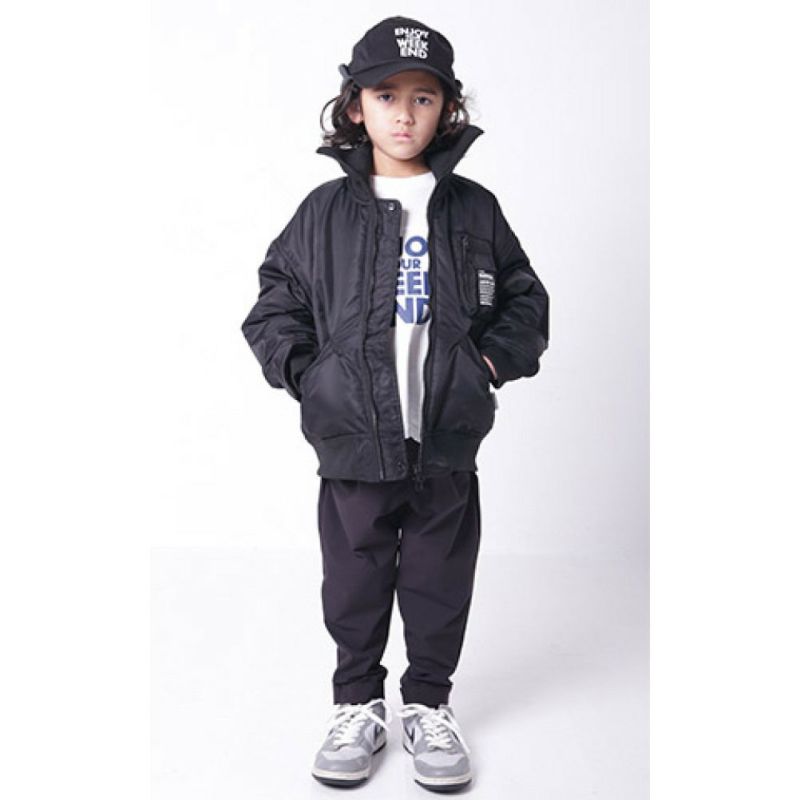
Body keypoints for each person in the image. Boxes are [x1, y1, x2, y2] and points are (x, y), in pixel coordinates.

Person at [241, 15, 549, 792]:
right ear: (355, 106)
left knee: (440, 580)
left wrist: (484, 363)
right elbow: (274, 304)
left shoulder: (472, 209)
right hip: (353, 436)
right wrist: (312, 374)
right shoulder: (324, 213)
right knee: (354, 580)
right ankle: (356, 705)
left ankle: (429, 706)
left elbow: (525, 299)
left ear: (448, 107)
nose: (405, 114)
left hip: (444, 436)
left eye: (423, 97)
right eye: (386, 96)